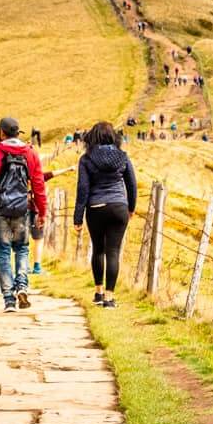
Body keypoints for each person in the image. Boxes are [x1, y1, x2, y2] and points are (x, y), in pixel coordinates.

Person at [0, 117, 47, 313]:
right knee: (22, 249)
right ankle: (22, 286)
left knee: (2, 253)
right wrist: (42, 211)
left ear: (1, 132)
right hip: (23, 209)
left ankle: (9, 300)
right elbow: (39, 186)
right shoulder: (30, 154)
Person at [73, 122, 137, 309]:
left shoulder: (86, 159)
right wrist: (131, 208)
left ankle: (99, 292)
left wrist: (78, 217)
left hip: (96, 207)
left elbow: (83, 189)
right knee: (113, 252)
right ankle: (110, 298)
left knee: (98, 249)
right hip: (119, 207)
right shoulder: (123, 157)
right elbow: (132, 185)